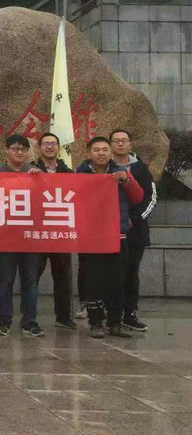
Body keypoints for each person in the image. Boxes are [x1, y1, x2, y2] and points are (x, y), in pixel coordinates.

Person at [77, 136, 144, 338]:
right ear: (89, 153)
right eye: (96, 150)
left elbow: (138, 197)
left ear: (110, 152)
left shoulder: (121, 172)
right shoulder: (80, 174)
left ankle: (115, 323)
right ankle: (96, 322)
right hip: (91, 237)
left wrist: (127, 181)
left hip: (117, 235)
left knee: (117, 280)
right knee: (93, 281)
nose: (101, 153)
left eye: (105, 149)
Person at [0, 134, 44, 338]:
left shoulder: (34, 172)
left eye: (23, 149)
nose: (19, 152)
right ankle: (4, 321)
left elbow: (47, 198)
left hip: (30, 237)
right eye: (15, 148)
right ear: (6, 150)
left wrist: (41, 179)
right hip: (5, 238)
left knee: (31, 281)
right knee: (5, 281)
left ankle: (29, 321)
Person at [110, 129, 156, 332]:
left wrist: (133, 219)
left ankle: (129, 314)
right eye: (116, 141)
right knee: (111, 273)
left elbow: (151, 198)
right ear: (111, 144)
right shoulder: (105, 167)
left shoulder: (141, 168)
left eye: (124, 140)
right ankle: (111, 315)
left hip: (135, 231)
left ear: (130, 144)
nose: (120, 144)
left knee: (131, 273)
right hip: (109, 231)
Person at [32, 132, 77, 330]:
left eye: (53, 144)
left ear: (58, 148)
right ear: (39, 147)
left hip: (60, 231)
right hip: (37, 233)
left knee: (62, 276)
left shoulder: (68, 173)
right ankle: (29, 317)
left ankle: (63, 316)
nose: (49, 147)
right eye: (46, 144)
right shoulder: (31, 170)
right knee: (32, 276)